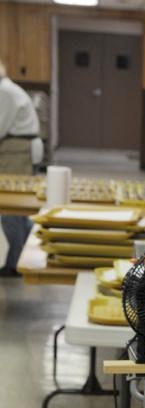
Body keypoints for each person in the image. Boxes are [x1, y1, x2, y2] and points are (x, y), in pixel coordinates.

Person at [0, 59, 43, 277]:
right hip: (17, 150)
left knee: (10, 209)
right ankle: (21, 256)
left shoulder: (4, 91)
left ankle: (14, 263)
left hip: (18, 151)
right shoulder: (7, 89)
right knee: (19, 212)